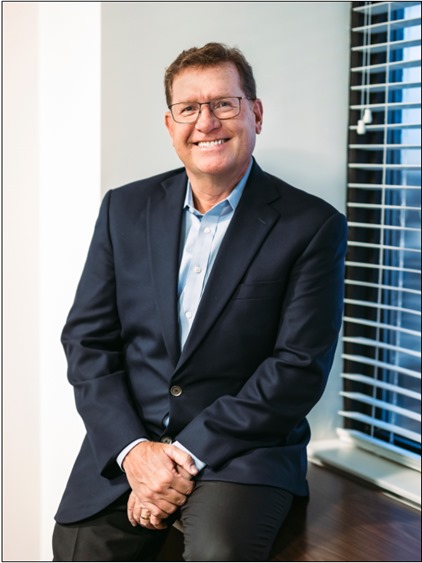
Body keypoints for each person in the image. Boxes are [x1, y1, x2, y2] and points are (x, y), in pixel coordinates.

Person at [52, 42, 347, 562]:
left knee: (219, 554)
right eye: (189, 108)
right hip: (134, 441)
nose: (206, 122)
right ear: (171, 126)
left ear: (256, 114)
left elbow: (298, 367)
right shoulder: (125, 209)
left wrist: (182, 456)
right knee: (79, 548)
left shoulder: (312, 225)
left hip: (243, 451)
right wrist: (135, 452)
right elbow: (87, 341)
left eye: (224, 104)